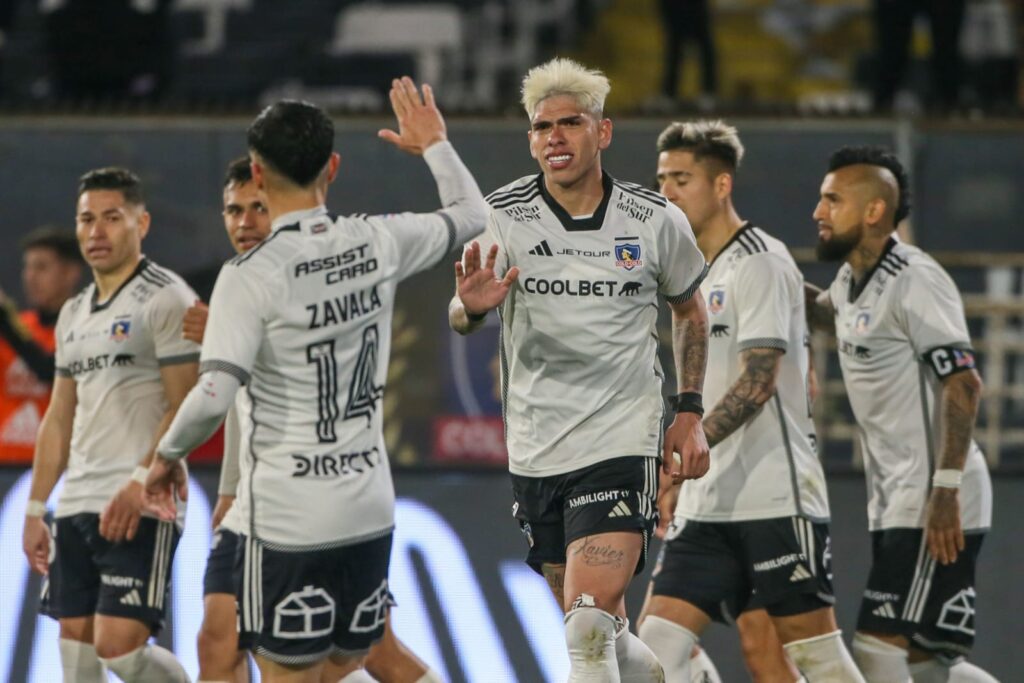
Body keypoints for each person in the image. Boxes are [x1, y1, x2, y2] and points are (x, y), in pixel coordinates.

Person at [145, 78, 487, 683]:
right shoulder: (377, 240)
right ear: (332, 166)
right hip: (368, 510)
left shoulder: (251, 276)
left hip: (287, 519)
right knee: (327, 664)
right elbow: (471, 215)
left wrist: (165, 456)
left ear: (257, 169)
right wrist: (435, 144)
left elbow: (214, 395)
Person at [449, 57, 711, 682]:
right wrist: (470, 308)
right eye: (542, 128)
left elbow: (690, 310)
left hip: (621, 437)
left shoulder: (653, 221)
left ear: (604, 132)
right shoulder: (504, 214)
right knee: (598, 631)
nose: (555, 138)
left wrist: (690, 412)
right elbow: (461, 314)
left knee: (588, 627)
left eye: (571, 123)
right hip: (537, 449)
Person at [190, 157, 443, 683]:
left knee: (370, 655)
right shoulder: (241, 281)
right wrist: (231, 488)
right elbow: (247, 400)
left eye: (257, 208)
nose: (244, 223)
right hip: (260, 504)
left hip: (323, 505)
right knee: (218, 638)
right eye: (232, 211)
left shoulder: (320, 272)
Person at [635, 120, 863, 683]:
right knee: (654, 650)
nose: (667, 191)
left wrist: (684, 453)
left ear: (721, 186)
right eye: (662, 178)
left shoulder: (761, 259)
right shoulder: (684, 272)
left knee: (812, 660)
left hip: (774, 498)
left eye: (682, 179)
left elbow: (758, 383)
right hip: (709, 507)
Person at [807, 146, 996, 683]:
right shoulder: (848, 282)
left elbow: (963, 380)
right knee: (926, 661)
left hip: (934, 501)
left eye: (832, 200)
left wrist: (945, 488)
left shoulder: (915, 277)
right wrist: (759, 271)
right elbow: (829, 318)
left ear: (873, 212)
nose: (818, 212)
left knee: (875, 647)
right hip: (897, 500)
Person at [21, 167, 198, 683]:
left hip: (140, 498)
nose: (96, 232)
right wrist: (37, 507)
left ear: (142, 223)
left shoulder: (168, 297)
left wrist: (141, 480)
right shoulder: (74, 312)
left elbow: (186, 402)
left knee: (118, 649)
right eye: (86, 219)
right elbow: (58, 417)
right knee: (76, 659)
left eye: (111, 218)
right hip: (77, 500)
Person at [1, 228, 82, 463]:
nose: (30, 276)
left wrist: (5, 319)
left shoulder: (87, 329)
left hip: (56, 468)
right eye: (27, 267)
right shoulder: (19, 326)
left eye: (41, 267)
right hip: (5, 466)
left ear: (70, 273)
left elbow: (49, 371)